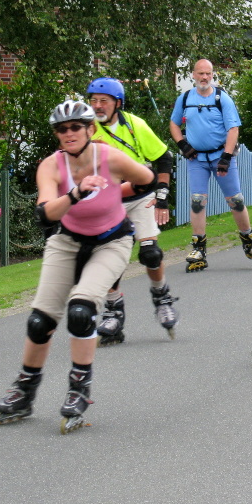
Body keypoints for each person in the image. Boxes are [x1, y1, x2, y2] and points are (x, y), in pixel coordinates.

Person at [0, 102, 155, 433]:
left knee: (81, 311)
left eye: (76, 127)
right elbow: (46, 214)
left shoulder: (111, 158)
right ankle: (25, 390)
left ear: (90, 129)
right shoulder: (51, 166)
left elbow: (147, 179)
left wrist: (118, 192)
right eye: (62, 129)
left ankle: (79, 390)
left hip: (112, 241)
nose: (69, 134)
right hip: (67, 240)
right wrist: (77, 194)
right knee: (40, 321)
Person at [87, 77, 178, 344]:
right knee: (109, 256)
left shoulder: (135, 126)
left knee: (150, 252)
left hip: (140, 195)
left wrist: (162, 197)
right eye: (93, 101)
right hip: (107, 200)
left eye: (104, 101)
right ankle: (113, 311)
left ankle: (162, 297)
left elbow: (163, 158)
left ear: (118, 103)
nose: (98, 106)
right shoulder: (87, 129)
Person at [169, 58, 252, 271]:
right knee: (197, 201)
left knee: (236, 200)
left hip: (221, 156)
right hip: (197, 159)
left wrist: (226, 156)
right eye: (200, 73)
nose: (205, 77)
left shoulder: (222, 98)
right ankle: (199, 248)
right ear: (193, 75)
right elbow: (174, 123)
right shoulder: (185, 98)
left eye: (208, 74)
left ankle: (249, 242)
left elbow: (233, 129)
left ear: (212, 75)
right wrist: (182, 143)